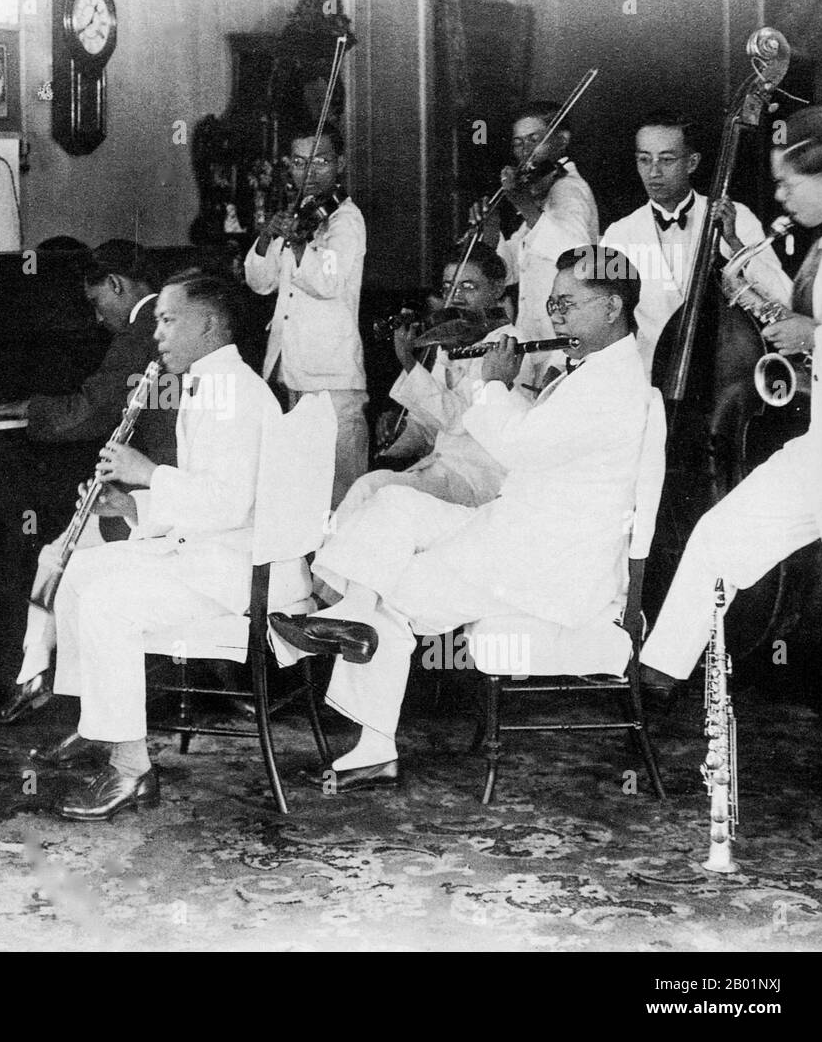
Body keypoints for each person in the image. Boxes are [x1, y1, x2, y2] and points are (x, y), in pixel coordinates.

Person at [271, 247, 650, 789]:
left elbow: (517, 448)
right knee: (393, 505)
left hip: (549, 560)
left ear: (612, 306)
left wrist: (492, 382)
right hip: (519, 527)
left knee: (396, 587)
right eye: (551, 301)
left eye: (567, 303)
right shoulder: (594, 367)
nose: (555, 313)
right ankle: (350, 614)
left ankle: (373, 742)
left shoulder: (611, 384)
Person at [47, 272, 289, 821]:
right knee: (81, 570)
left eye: (168, 320)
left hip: (235, 570)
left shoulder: (232, 395)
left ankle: (130, 769)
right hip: (212, 551)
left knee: (108, 603)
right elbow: (208, 498)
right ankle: (104, 723)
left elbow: (227, 507)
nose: (156, 333)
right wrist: (132, 507)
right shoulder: (214, 383)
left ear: (207, 325)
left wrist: (148, 474)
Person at [639, 107, 822, 692]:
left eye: (786, 183)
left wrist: (815, 335)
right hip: (819, 444)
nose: (778, 196)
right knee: (719, 536)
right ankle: (655, 680)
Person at [0, 240, 179, 724]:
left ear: (115, 285)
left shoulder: (142, 332)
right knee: (56, 555)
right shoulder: (170, 320)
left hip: (156, 499)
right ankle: (48, 682)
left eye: (96, 303)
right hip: (158, 488)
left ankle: (47, 685)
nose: (96, 318)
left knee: (57, 561)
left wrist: (30, 408)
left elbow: (90, 411)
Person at [601, 110, 790, 372]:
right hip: (648, 377)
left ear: (692, 162)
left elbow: (782, 297)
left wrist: (733, 241)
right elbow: (604, 315)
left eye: (666, 159)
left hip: (724, 372)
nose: (653, 172)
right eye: (644, 160)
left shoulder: (738, 217)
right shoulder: (618, 234)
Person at [244, 121, 367, 508]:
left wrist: (298, 244)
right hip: (291, 369)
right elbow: (260, 283)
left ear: (340, 163)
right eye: (299, 163)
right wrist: (268, 235)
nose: (308, 173)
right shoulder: (298, 213)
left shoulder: (346, 219)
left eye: (320, 162)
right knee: (301, 492)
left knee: (340, 494)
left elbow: (327, 282)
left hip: (332, 375)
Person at [355, 247, 521, 515]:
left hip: (478, 479)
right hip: (442, 470)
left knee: (373, 490)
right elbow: (431, 429)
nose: (455, 297)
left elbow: (460, 420)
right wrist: (401, 431)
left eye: (468, 286)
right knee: (368, 490)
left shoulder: (507, 346)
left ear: (497, 288)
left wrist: (410, 364)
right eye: (448, 287)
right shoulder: (455, 341)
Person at [475, 100, 599, 391]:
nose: (525, 151)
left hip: (562, 349)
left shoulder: (569, 189)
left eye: (534, 139)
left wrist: (523, 204)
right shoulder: (541, 199)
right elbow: (505, 274)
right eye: (518, 143)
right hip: (535, 346)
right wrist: (491, 228)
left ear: (562, 141)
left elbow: (576, 253)